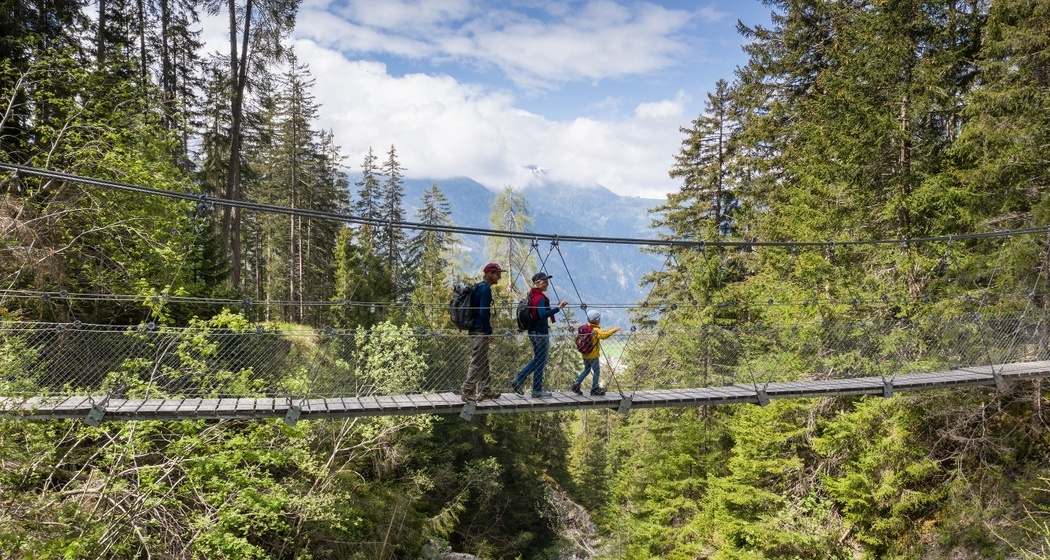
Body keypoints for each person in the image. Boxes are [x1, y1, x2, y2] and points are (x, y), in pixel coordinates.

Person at [511, 272, 568, 398]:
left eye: (547, 281)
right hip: (541, 333)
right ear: (537, 283)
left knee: (538, 359)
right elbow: (542, 314)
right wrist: (558, 308)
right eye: (544, 281)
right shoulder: (540, 298)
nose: (547, 283)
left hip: (533, 331)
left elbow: (533, 314)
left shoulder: (532, 296)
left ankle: (519, 379)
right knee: (541, 361)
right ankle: (536, 390)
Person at [460, 262, 504, 401]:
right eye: (498, 274)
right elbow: (483, 312)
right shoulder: (485, 289)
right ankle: (467, 389)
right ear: (489, 274)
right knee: (478, 361)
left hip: (474, 328)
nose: (500, 277)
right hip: (480, 330)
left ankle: (486, 389)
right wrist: (488, 331)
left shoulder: (478, 287)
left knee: (483, 360)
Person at [571, 310, 621, 396]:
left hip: (584, 354)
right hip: (593, 355)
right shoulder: (595, 330)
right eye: (599, 319)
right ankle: (595, 388)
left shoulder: (585, 328)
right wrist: (614, 330)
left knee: (586, 370)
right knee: (596, 371)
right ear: (597, 320)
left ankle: (576, 384)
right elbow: (603, 335)